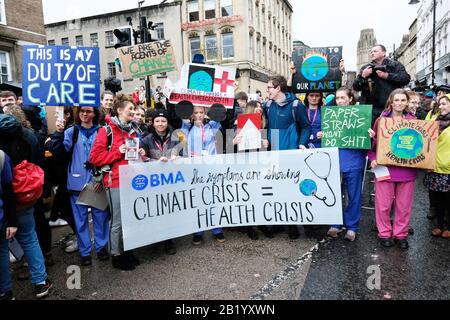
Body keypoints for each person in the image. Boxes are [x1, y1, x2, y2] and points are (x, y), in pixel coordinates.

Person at [0, 114, 53, 298]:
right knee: (30, 238)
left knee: (1, 248)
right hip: (25, 196)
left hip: (3, 204)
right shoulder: (27, 136)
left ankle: (5, 291)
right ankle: (40, 282)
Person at [90, 94, 144, 271]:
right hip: (114, 181)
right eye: (131, 109)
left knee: (130, 219)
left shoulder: (133, 130)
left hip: (131, 180)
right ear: (120, 110)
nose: (134, 112)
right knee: (118, 220)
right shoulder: (106, 131)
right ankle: (116, 254)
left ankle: (127, 250)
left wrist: (140, 153)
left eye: (135, 109)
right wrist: (117, 153)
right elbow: (95, 158)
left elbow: (132, 157)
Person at [51, 107, 110, 266]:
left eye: (89, 111)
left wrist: (101, 177)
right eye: (82, 111)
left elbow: (107, 156)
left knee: (100, 217)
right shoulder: (72, 132)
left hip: (96, 182)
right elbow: (60, 152)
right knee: (80, 220)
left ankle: (102, 247)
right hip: (76, 182)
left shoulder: (102, 132)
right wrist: (58, 132)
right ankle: (85, 252)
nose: (85, 114)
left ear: (95, 114)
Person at [368, 89, 417, 249]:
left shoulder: (414, 121)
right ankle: (384, 233)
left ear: (407, 102)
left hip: (407, 170)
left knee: (404, 206)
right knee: (383, 205)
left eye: (403, 100)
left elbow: (420, 146)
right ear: (391, 101)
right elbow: (371, 144)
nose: (399, 103)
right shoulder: (380, 121)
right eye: (397, 100)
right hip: (384, 168)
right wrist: (373, 159)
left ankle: (401, 234)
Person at [264, 75, 311, 239]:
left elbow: (306, 126)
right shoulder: (268, 105)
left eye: (269, 87)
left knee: (290, 188)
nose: (267, 90)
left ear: (278, 88)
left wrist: (302, 143)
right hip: (273, 152)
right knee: (276, 188)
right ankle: (277, 223)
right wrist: (265, 139)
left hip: (290, 151)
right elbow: (266, 126)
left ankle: (292, 224)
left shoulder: (296, 105)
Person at [326, 88, 370, 242]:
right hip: (335, 161)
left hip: (354, 161)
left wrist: (369, 135)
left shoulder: (361, 115)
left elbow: (367, 141)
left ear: (350, 98)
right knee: (335, 195)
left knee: (354, 196)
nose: (340, 101)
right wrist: (322, 134)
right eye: (337, 98)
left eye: (343, 98)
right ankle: (335, 224)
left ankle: (352, 226)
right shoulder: (330, 116)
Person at [181, 105, 226, 244]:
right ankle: (198, 231)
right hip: (195, 169)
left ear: (205, 113)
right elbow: (181, 142)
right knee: (197, 199)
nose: (199, 115)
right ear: (192, 115)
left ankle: (217, 229)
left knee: (214, 198)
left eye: (201, 112)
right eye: (196, 113)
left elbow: (221, 113)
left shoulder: (212, 125)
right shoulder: (187, 127)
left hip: (212, 168)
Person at [142, 109, 183, 254]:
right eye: (157, 121)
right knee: (156, 209)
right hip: (153, 181)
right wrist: (156, 161)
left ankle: (168, 240)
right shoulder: (146, 139)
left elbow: (183, 154)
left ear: (167, 122)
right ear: (152, 123)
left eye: (163, 121)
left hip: (171, 180)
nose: (160, 124)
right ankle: (156, 237)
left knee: (169, 210)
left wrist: (178, 158)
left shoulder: (176, 137)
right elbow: (142, 159)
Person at [232, 100, 271, 240]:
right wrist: (234, 141)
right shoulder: (238, 124)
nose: (259, 110)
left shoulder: (264, 125)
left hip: (260, 164)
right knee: (249, 196)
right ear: (250, 109)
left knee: (261, 195)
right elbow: (230, 148)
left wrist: (266, 143)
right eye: (256, 108)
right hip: (245, 165)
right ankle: (250, 226)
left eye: (261, 108)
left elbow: (267, 148)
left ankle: (262, 223)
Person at [353, 45, 411, 124]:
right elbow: (356, 87)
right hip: (371, 110)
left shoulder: (395, 65)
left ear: (383, 53)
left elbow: (405, 78)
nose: (372, 53)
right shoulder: (366, 68)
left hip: (390, 108)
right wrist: (362, 76)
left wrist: (387, 76)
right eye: (371, 52)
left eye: (375, 51)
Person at [425, 94, 450, 237]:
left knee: (448, 199)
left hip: (449, 168)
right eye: (440, 104)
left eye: (445, 104)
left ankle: (448, 227)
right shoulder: (435, 121)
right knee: (438, 199)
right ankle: (439, 225)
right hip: (435, 166)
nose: (441, 107)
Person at [0, 149, 18, 300]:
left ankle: (6, 291)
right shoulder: (1, 156)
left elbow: (7, 190)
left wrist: (12, 222)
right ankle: (6, 292)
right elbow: (8, 190)